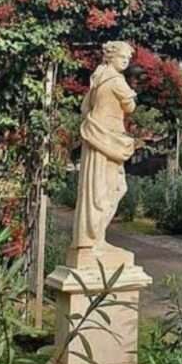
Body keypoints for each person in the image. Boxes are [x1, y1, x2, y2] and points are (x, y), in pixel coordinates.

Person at [70, 41, 137, 265]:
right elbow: (130, 107)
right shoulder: (117, 80)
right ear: (111, 57)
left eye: (128, 58)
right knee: (111, 188)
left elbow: (84, 108)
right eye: (123, 58)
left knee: (98, 187)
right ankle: (95, 240)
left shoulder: (97, 78)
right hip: (108, 136)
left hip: (96, 134)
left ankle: (92, 238)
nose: (126, 62)